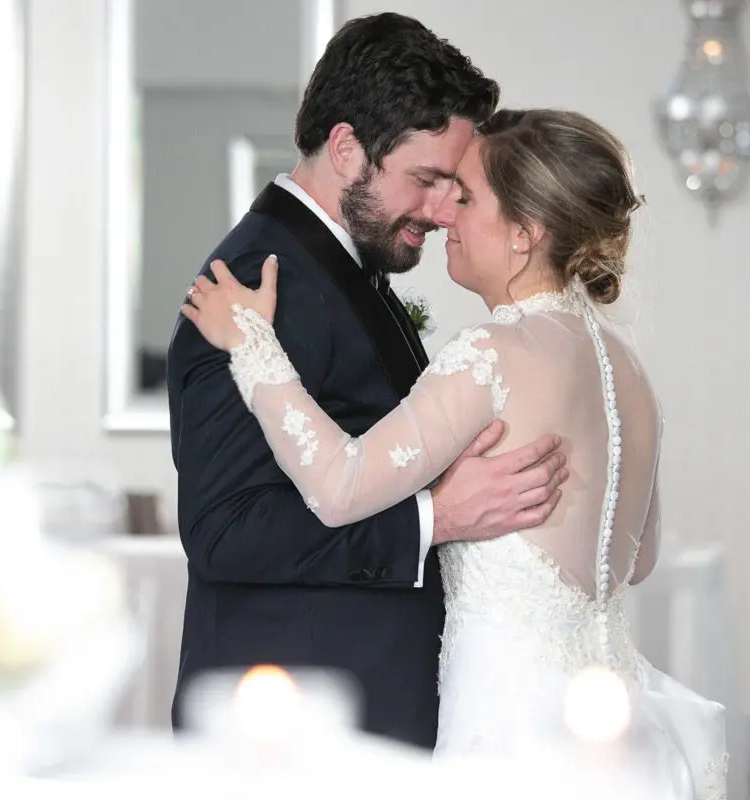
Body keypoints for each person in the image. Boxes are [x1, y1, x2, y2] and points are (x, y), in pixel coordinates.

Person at [181, 109, 729, 798]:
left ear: (525, 234)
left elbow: (340, 486)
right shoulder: (628, 368)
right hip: (606, 720)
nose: (446, 215)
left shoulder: (492, 353)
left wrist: (254, 348)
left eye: (466, 198)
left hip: (507, 721)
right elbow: (637, 561)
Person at [165, 14, 570, 749]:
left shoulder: (337, 267)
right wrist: (435, 519)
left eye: (453, 186)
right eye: (427, 180)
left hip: (355, 706)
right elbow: (225, 532)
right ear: (348, 148)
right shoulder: (258, 281)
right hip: (294, 723)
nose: (442, 211)